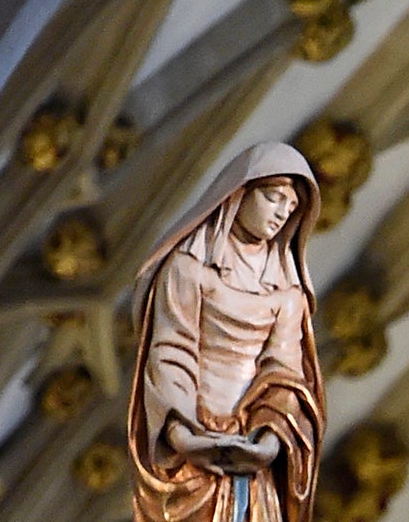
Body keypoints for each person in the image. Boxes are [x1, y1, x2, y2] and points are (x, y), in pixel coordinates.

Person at [128, 142, 325, 522]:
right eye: (273, 197)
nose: (282, 213)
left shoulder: (287, 294)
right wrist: (185, 438)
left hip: (250, 456)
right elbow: (172, 353)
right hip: (189, 442)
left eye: (292, 206)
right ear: (240, 192)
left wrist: (268, 443)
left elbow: (284, 377)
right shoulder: (189, 269)